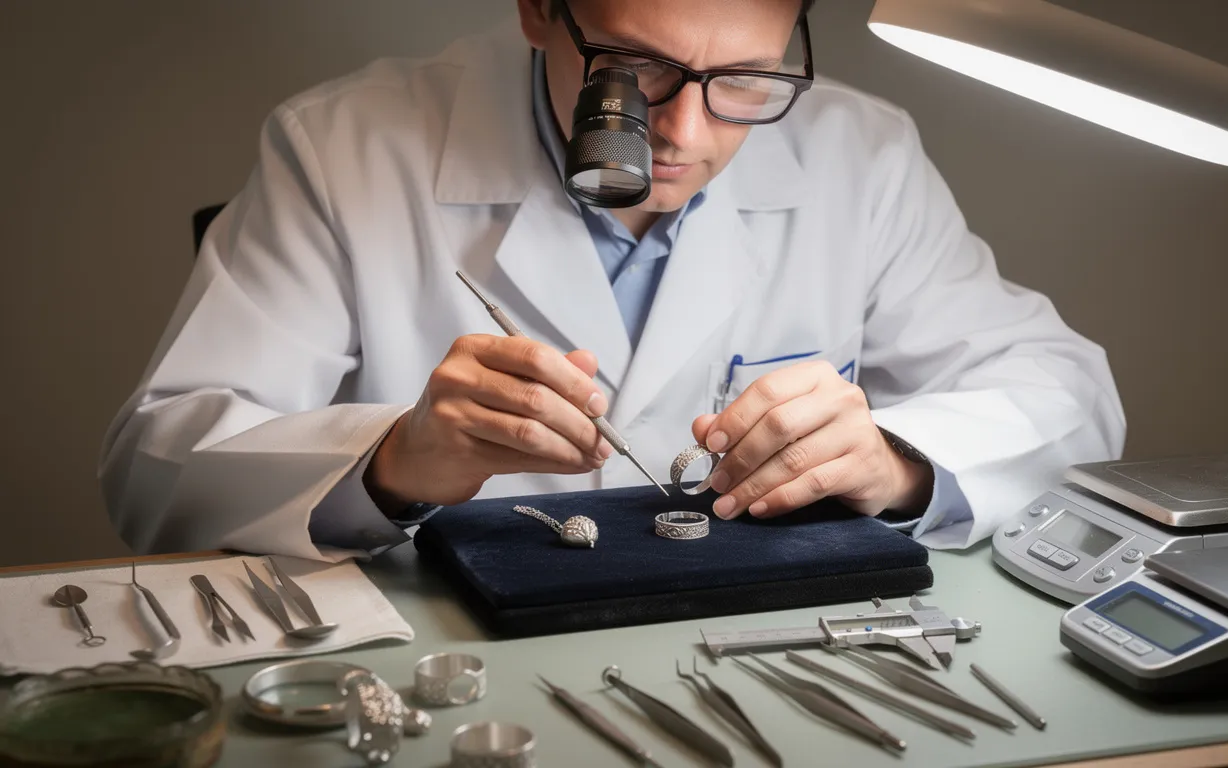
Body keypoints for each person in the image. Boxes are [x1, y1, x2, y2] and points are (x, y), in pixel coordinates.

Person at [99, 0, 1125, 563]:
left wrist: (893, 462)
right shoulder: (345, 148)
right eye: (634, 70)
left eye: (744, 80)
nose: (683, 132)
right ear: (538, 9)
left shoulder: (861, 154)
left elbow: (1069, 399)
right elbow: (157, 466)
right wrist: (394, 460)